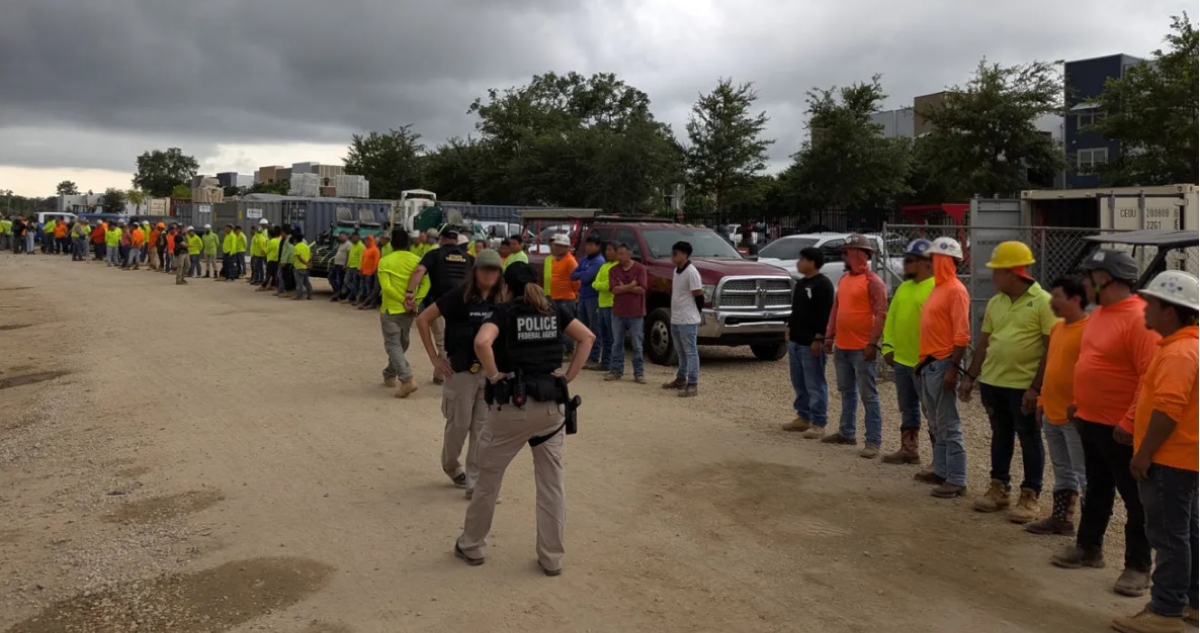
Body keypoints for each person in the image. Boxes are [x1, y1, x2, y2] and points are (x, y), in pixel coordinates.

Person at [454, 261, 595, 575]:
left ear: (507, 286)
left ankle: (472, 545)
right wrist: (568, 376)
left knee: (488, 482)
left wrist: (492, 376)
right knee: (551, 485)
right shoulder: (555, 311)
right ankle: (551, 557)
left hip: (512, 408)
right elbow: (587, 338)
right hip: (550, 409)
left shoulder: (503, 313)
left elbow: (481, 343)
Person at [1051, 250, 1159, 598]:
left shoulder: (1141, 318)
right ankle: (1089, 547)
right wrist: (1079, 404)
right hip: (1091, 421)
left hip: (1122, 429)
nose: (1084, 282)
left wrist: (1128, 421)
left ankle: (1138, 566)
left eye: (1091, 276)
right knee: (1097, 488)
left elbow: (1149, 377)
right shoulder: (1100, 314)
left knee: (1135, 499)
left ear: (1110, 279)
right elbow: (1092, 363)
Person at [1110, 270, 1199, 633]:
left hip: (1169, 458)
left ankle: (1165, 612)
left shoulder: (1179, 352)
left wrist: (1143, 453)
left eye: (1151, 304)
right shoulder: (1187, 346)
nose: (1144, 311)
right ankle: (1191, 603)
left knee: (1168, 536)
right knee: (1186, 532)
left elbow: (1167, 409)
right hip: (1183, 458)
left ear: (1170, 311)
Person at [958, 241, 1056, 523]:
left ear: (1013, 273)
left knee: (1028, 438)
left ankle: (1030, 494)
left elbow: (1051, 348)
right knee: (1000, 435)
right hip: (993, 383)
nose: (992, 277)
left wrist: (1036, 387)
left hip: (1023, 387)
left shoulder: (1043, 303)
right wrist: (970, 377)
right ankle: (999, 487)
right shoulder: (995, 302)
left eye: (997, 272)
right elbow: (984, 343)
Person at [416, 249, 506, 498]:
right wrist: (435, 358)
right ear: (475, 271)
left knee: (482, 430)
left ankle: (474, 484)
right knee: (459, 425)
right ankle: (451, 465)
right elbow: (423, 319)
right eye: (485, 269)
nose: (489, 274)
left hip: (488, 375)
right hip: (461, 373)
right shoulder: (459, 296)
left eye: (494, 270)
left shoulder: (502, 300)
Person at [1026, 276, 1090, 536]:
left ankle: (1089, 533)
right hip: (1053, 412)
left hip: (1075, 416)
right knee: (1063, 469)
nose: (1052, 301)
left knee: (1084, 474)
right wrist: (1041, 399)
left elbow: (1092, 373)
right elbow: (1051, 367)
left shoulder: (1088, 330)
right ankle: (1062, 519)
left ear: (1075, 299)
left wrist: (1079, 404)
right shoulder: (1058, 328)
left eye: (1057, 297)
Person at [821, 234, 888, 458]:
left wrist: (872, 343)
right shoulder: (844, 280)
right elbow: (836, 310)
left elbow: (881, 314)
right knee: (846, 391)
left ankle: (873, 441)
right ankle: (846, 432)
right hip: (843, 346)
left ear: (859, 254)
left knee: (868, 395)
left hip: (861, 348)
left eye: (847, 252)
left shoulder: (873, 282)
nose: (844, 256)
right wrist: (830, 336)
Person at [916, 237, 972, 498]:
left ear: (947, 261)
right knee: (936, 422)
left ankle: (957, 477)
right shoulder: (938, 289)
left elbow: (962, 335)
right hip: (930, 364)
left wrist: (952, 368)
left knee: (948, 423)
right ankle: (941, 469)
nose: (931, 263)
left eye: (934, 259)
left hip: (942, 363)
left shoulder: (955, 291)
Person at [877, 239, 937, 465]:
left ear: (925, 263)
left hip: (924, 363)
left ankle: (939, 459)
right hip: (901, 361)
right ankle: (909, 450)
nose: (905, 264)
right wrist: (887, 346)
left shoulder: (936, 288)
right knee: (907, 408)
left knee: (931, 411)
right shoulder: (903, 287)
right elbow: (891, 319)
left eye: (910, 260)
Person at [407, 229, 474, 384]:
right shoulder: (469, 258)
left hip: (438, 303)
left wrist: (410, 292)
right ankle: (448, 372)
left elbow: (419, 271)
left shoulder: (434, 254)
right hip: (464, 304)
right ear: (457, 241)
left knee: (441, 339)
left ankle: (443, 373)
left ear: (441, 239)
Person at [781, 247, 835, 438]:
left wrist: (820, 338)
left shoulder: (823, 284)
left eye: (802, 259)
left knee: (815, 382)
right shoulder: (802, 283)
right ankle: (803, 416)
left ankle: (819, 422)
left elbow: (826, 314)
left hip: (811, 342)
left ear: (812, 262)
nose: (799, 262)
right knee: (799, 382)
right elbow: (796, 309)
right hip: (796, 340)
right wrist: (789, 327)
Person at [377, 230, 427, 398]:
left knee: (394, 345)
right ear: (409, 244)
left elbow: (387, 288)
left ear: (391, 244)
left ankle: (406, 379)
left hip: (391, 309)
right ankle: (389, 374)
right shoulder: (418, 261)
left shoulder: (384, 261)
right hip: (409, 311)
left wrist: (403, 300)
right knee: (401, 344)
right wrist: (415, 301)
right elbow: (426, 283)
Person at [662, 241, 704, 397]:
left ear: (685, 255)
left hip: (687, 319)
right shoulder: (676, 270)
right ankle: (681, 378)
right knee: (680, 351)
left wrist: (696, 314)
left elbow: (698, 294)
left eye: (676, 253)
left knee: (690, 351)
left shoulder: (692, 273)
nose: (673, 256)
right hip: (677, 317)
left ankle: (693, 383)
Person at [604, 242, 647, 383]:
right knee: (617, 343)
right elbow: (614, 289)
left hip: (636, 313)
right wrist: (632, 285)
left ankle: (639, 373)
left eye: (622, 253)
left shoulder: (640, 269)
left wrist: (624, 287)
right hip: (618, 312)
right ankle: (616, 370)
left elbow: (642, 289)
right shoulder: (613, 270)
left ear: (629, 254)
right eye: (618, 254)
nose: (619, 256)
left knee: (637, 344)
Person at [571, 236, 606, 368]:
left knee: (594, 328)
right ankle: (584, 356)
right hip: (583, 297)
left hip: (593, 297)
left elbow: (584, 278)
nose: (588, 248)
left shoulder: (598, 261)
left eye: (591, 245)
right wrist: (583, 274)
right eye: (587, 245)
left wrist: (582, 274)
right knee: (583, 328)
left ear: (597, 246)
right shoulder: (585, 259)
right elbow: (573, 275)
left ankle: (594, 357)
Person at [590, 243, 618, 373]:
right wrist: (599, 285)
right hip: (601, 305)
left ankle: (613, 363)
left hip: (611, 305)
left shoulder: (617, 267)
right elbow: (595, 283)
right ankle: (605, 362)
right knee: (604, 336)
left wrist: (598, 285)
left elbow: (608, 285)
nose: (607, 252)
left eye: (610, 249)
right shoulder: (604, 266)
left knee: (613, 338)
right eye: (606, 249)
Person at [336, 233, 365, 301]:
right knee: (346, 281)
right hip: (350, 267)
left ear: (358, 238)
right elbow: (350, 256)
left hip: (356, 268)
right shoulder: (352, 245)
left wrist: (359, 269)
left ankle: (352, 297)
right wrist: (347, 265)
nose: (354, 239)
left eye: (355, 238)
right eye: (353, 238)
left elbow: (361, 258)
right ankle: (356, 293)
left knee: (355, 282)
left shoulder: (361, 246)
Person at [355, 235, 381, 308]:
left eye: (368, 240)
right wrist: (361, 269)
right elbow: (363, 261)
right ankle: (362, 301)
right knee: (362, 288)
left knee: (369, 289)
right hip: (364, 272)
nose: (366, 242)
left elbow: (376, 261)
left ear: (371, 241)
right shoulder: (365, 250)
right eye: (366, 241)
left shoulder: (375, 250)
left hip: (370, 273)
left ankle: (371, 303)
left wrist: (373, 270)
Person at [259, 227, 282, 292]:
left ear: (270, 235)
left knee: (268, 274)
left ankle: (263, 286)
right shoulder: (278, 240)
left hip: (271, 260)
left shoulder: (271, 242)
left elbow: (266, 251)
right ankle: (273, 285)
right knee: (275, 274)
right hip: (277, 260)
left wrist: (262, 249)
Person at [328, 233, 351, 299]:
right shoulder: (341, 244)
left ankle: (340, 294)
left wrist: (346, 265)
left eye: (342, 236)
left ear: (346, 236)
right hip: (337, 264)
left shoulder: (348, 244)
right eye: (339, 236)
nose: (340, 238)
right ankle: (337, 291)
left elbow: (349, 255)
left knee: (341, 280)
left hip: (342, 264)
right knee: (330, 277)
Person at [291, 231, 312, 300]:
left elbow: (299, 258)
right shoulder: (306, 246)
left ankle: (299, 296)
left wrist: (305, 263)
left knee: (299, 282)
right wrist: (307, 263)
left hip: (298, 267)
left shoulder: (296, 247)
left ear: (296, 239)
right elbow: (309, 256)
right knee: (306, 282)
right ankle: (310, 294)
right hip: (305, 267)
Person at [276, 231, 296, 298]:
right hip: (289, 261)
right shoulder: (287, 240)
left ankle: (286, 291)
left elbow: (287, 252)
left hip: (287, 262)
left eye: (282, 232)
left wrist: (283, 261)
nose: (281, 234)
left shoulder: (288, 241)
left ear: (284, 232)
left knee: (285, 276)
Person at [249, 219, 269, 284]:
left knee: (259, 268)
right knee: (256, 268)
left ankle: (260, 279)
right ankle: (256, 279)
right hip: (256, 254)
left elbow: (262, 247)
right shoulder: (256, 237)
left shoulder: (260, 237)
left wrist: (264, 253)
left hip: (259, 255)